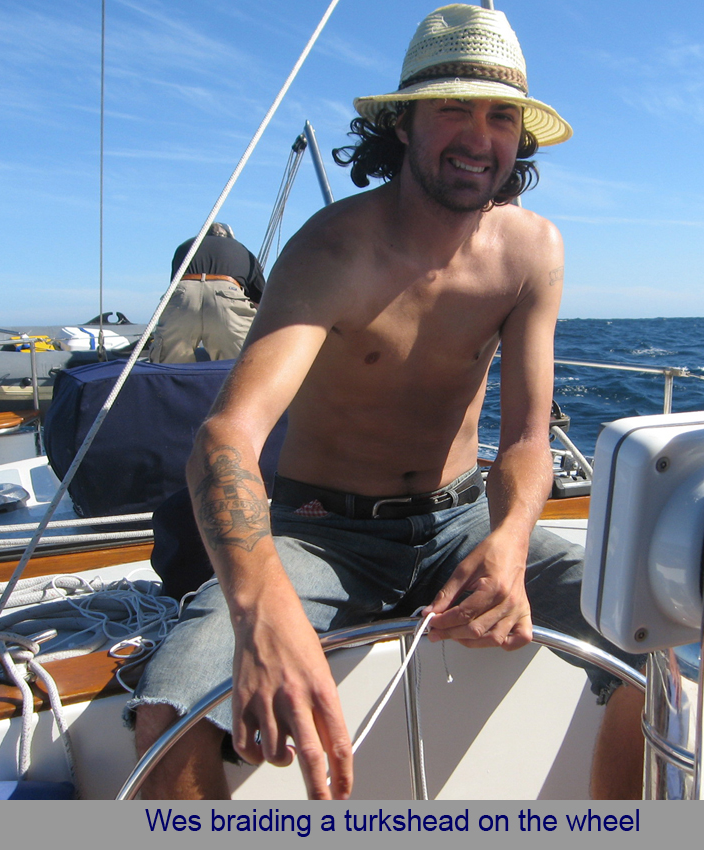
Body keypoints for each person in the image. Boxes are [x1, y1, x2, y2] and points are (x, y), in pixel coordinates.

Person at [127, 4, 647, 800]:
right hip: (321, 535)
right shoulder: (331, 251)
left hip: (464, 522)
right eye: (453, 109)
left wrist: (511, 540)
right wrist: (261, 604)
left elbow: (525, 440)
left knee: (661, 635)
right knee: (173, 713)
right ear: (402, 124)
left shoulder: (532, 251)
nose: (479, 137)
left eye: (500, 116)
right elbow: (224, 439)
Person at [151, 222, 266, 362]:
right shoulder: (243, 251)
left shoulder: (185, 246)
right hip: (227, 297)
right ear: (230, 237)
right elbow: (262, 301)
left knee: (170, 365)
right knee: (238, 365)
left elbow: (175, 284)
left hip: (184, 295)